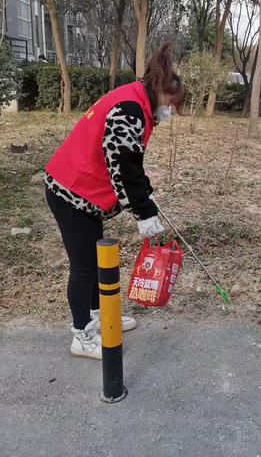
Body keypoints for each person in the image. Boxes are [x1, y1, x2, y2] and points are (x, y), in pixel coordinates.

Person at [44, 43, 185, 360]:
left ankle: (101, 315)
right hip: (71, 192)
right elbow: (123, 168)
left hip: (83, 193)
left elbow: (132, 162)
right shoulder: (129, 111)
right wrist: (144, 213)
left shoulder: (135, 99)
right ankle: (82, 333)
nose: (170, 111)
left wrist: (146, 197)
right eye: (171, 104)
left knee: (96, 262)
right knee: (84, 268)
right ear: (160, 91)